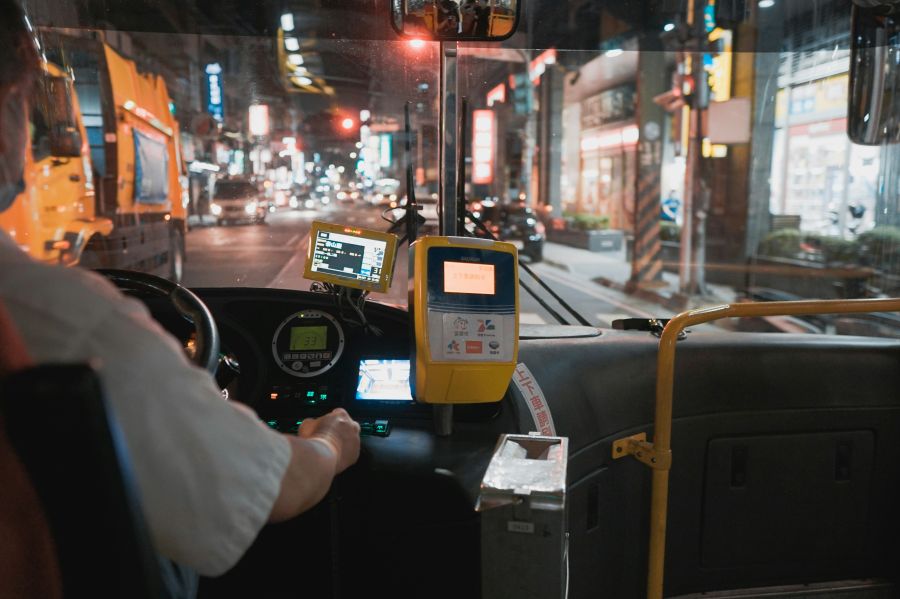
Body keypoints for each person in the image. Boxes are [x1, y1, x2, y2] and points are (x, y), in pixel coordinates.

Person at [0, 0, 360, 589]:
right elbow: (278, 490)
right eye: (24, 96)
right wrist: (332, 442)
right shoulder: (67, 321)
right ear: (9, 103)